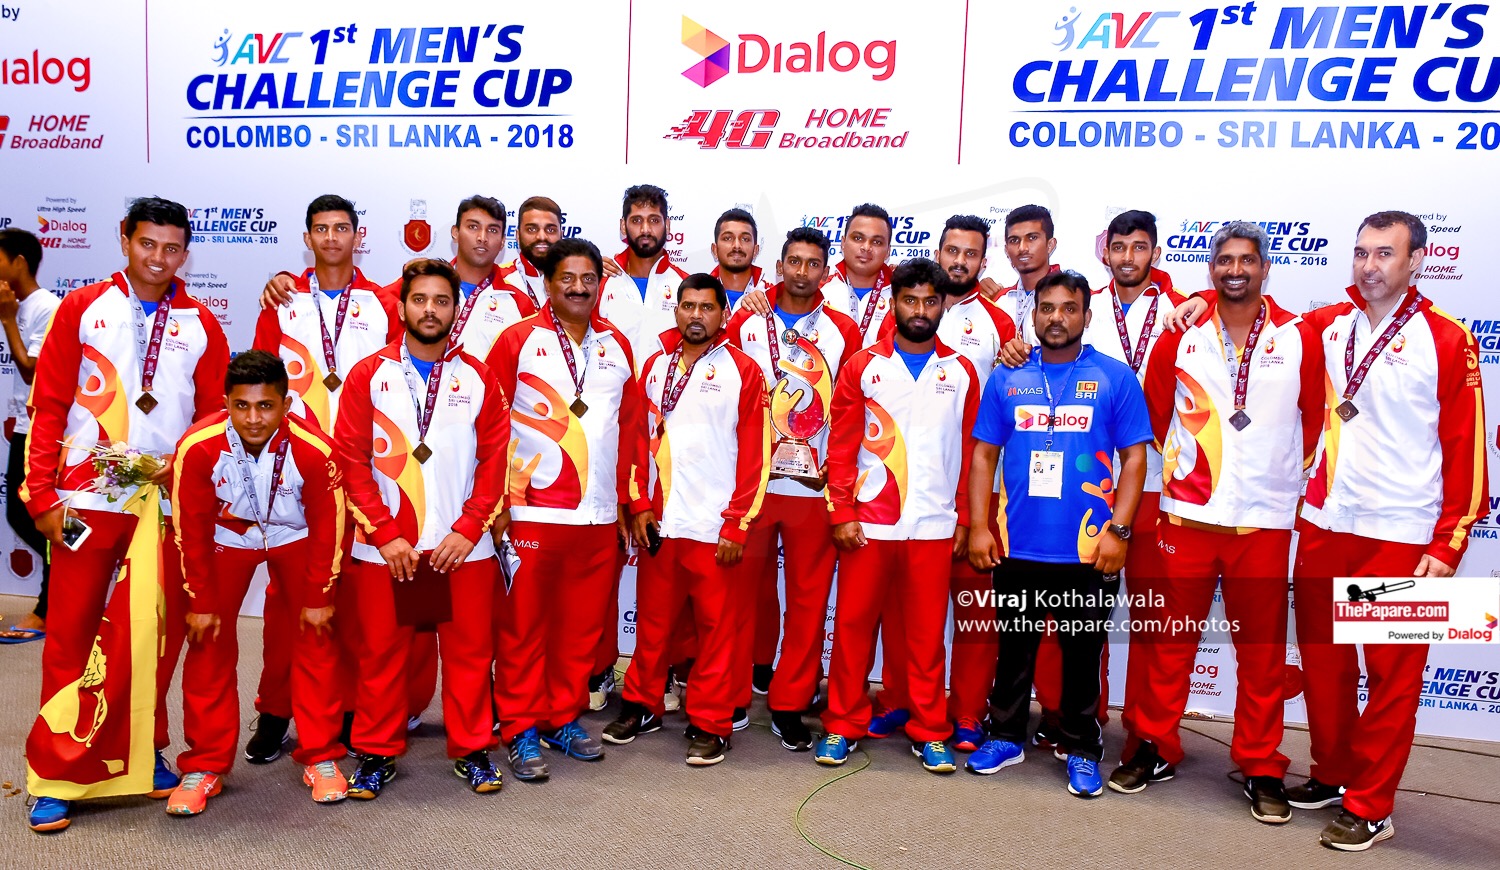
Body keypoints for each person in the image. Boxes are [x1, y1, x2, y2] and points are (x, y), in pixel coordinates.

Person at [24, 197, 230, 833]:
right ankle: (56, 773)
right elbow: (50, 402)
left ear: (185, 252)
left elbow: (212, 420)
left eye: (172, 248)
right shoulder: (82, 308)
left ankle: (145, 750)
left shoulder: (203, 323)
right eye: (148, 244)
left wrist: (191, 486)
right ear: (124, 240)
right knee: (72, 633)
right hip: (86, 501)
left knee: (153, 634)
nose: (159, 259)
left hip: (162, 507)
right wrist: (41, 495)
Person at [1292, 212, 1487, 851]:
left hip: (1401, 532)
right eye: (1359, 254)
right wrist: (1195, 306)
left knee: (1392, 675)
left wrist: (1448, 541)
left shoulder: (1448, 337)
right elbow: (1246, 306)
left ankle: (1373, 804)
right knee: (1324, 666)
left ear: (1415, 262)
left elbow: (1467, 448)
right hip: (1325, 522)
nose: (1369, 266)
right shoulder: (1327, 326)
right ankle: (1334, 774)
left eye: (1384, 254)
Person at [1117, 222, 1322, 824]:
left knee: (1260, 653)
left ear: (1265, 268)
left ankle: (1260, 762)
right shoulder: (1179, 335)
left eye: (1247, 261)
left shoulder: (1300, 335)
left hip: (1263, 521)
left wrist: (1272, 474)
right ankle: (1154, 744)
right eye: (1224, 261)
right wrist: (1192, 469)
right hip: (1187, 516)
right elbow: (1156, 414)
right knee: (1169, 643)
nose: (1235, 270)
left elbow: (1315, 415)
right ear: (1211, 269)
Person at [965, 269, 1149, 799]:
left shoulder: (1114, 377)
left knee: (1081, 653)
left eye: (1069, 308)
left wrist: (1120, 530)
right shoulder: (1008, 377)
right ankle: (1004, 735)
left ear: (1086, 317)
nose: (1057, 318)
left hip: (1088, 548)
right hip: (1018, 543)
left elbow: (1136, 458)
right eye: (1047, 308)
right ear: (1033, 314)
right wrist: (980, 525)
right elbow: (983, 455)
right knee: (1015, 648)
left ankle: (1082, 748)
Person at [334, 258, 510, 799]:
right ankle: (374, 751)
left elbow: (495, 460)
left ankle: (473, 749)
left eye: (441, 300)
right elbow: (350, 458)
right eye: (419, 300)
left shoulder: (477, 375)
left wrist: (468, 528)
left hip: (464, 549)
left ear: (455, 308)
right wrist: (385, 534)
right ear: (402, 305)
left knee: (469, 657)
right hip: (390, 551)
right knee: (383, 657)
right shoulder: (370, 374)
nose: (429, 310)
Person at [485, 238, 646, 781]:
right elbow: (491, 424)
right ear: (548, 283)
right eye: (567, 278)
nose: (579, 287)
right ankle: (520, 726)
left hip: (597, 516)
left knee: (579, 631)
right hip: (531, 512)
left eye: (588, 277)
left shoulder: (616, 343)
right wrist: (498, 501)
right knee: (524, 629)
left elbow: (629, 432)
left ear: (600, 282)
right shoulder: (517, 340)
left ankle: (561, 716)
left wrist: (626, 500)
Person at [250, 194, 400, 763]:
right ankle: (275, 709)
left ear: (359, 236)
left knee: (356, 607)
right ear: (307, 237)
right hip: (295, 473)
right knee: (288, 603)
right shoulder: (281, 299)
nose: (332, 238)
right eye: (321, 229)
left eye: (342, 228)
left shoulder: (384, 302)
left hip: (363, 475)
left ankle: (346, 710)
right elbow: (259, 387)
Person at [167, 351, 350, 813]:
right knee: (207, 638)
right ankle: (204, 764)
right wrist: (201, 599)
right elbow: (190, 527)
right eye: (241, 406)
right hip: (228, 536)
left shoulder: (316, 449)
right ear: (225, 403)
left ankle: (322, 756)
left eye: (265, 406)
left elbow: (330, 524)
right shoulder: (198, 447)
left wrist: (319, 596)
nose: (253, 418)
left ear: (286, 405)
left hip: (296, 535)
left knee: (314, 635)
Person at [816, 258, 979, 775]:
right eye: (911, 300)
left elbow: (973, 452)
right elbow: (840, 446)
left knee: (927, 637)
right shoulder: (864, 366)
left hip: (932, 526)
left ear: (943, 306)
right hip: (870, 523)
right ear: (894, 303)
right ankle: (842, 724)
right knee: (854, 629)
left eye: (931, 301)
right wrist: (842, 511)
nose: (921, 310)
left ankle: (931, 732)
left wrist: (966, 519)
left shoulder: (960, 371)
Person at [603, 274, 770, 765]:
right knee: (653, 625)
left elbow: (757, 456)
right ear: (676, 311)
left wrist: (738, 523)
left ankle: (711, 722)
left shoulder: (746, 371)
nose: (696, 316)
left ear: (722, 313)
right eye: (688, 306)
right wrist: (638, 503)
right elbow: (635, 439)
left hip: (714, 526)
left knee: (718, 631)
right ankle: (641, 705)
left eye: (707, 308)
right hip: (661, 526)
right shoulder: (655, 365)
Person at [866, 215, 1016, 752]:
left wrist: (977, 510)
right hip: (904, 496)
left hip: (979, 488)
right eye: (951, 250)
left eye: (970, 254)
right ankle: (902, 698)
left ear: (984, 259)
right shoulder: (899, 315)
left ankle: (970, 712)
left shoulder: (1000, 322)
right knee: (908, 609)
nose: (959, 262)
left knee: (975, 609)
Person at [724, 228, 862, 750]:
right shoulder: (745, 320)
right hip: (753, 486)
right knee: (738, 597)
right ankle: (733, 694)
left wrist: (840, 486)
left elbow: (849, 415)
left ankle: (789, 703)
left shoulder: (842, 329)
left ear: (826, 270)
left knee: (808, 603)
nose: (802, 272)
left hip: (813, 486)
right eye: (793, 262)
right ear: (778, 265)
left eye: (812, 263)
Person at [0, 229, 59, 643]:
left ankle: (52, 602)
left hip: (42, 427)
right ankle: (63, 587)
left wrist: (7, 319)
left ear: (20, 261)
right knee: (21, 514)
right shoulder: (18, 305)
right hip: (24, 422)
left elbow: (32, 370)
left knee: (29, 514)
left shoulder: (45, 307)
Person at [596, 184, 690, 361]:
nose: (645, 229)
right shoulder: (600, 281)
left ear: (667, 225)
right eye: (636, 220)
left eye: (654, 220)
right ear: (623, 226)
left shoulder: (685, 285)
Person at [820, 203, 895, 347]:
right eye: (858, 238)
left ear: (888, 251)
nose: (866, 247)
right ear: (843, 243)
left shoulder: (902, 295)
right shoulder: (819, 290)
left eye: (877, 242)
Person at [499, 196, 565, 309]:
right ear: (517, 236)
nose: (542, 236)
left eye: (550, 230)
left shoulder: (580, 280)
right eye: (531, 229)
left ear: (561, 235)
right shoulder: (497, 278)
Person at [709, 208, 768, 310]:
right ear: (714, 250)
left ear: (755, 250)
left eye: (745, 239)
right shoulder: (699, 294)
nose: (737, 246)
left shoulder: (771, 296)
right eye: (727, 238)